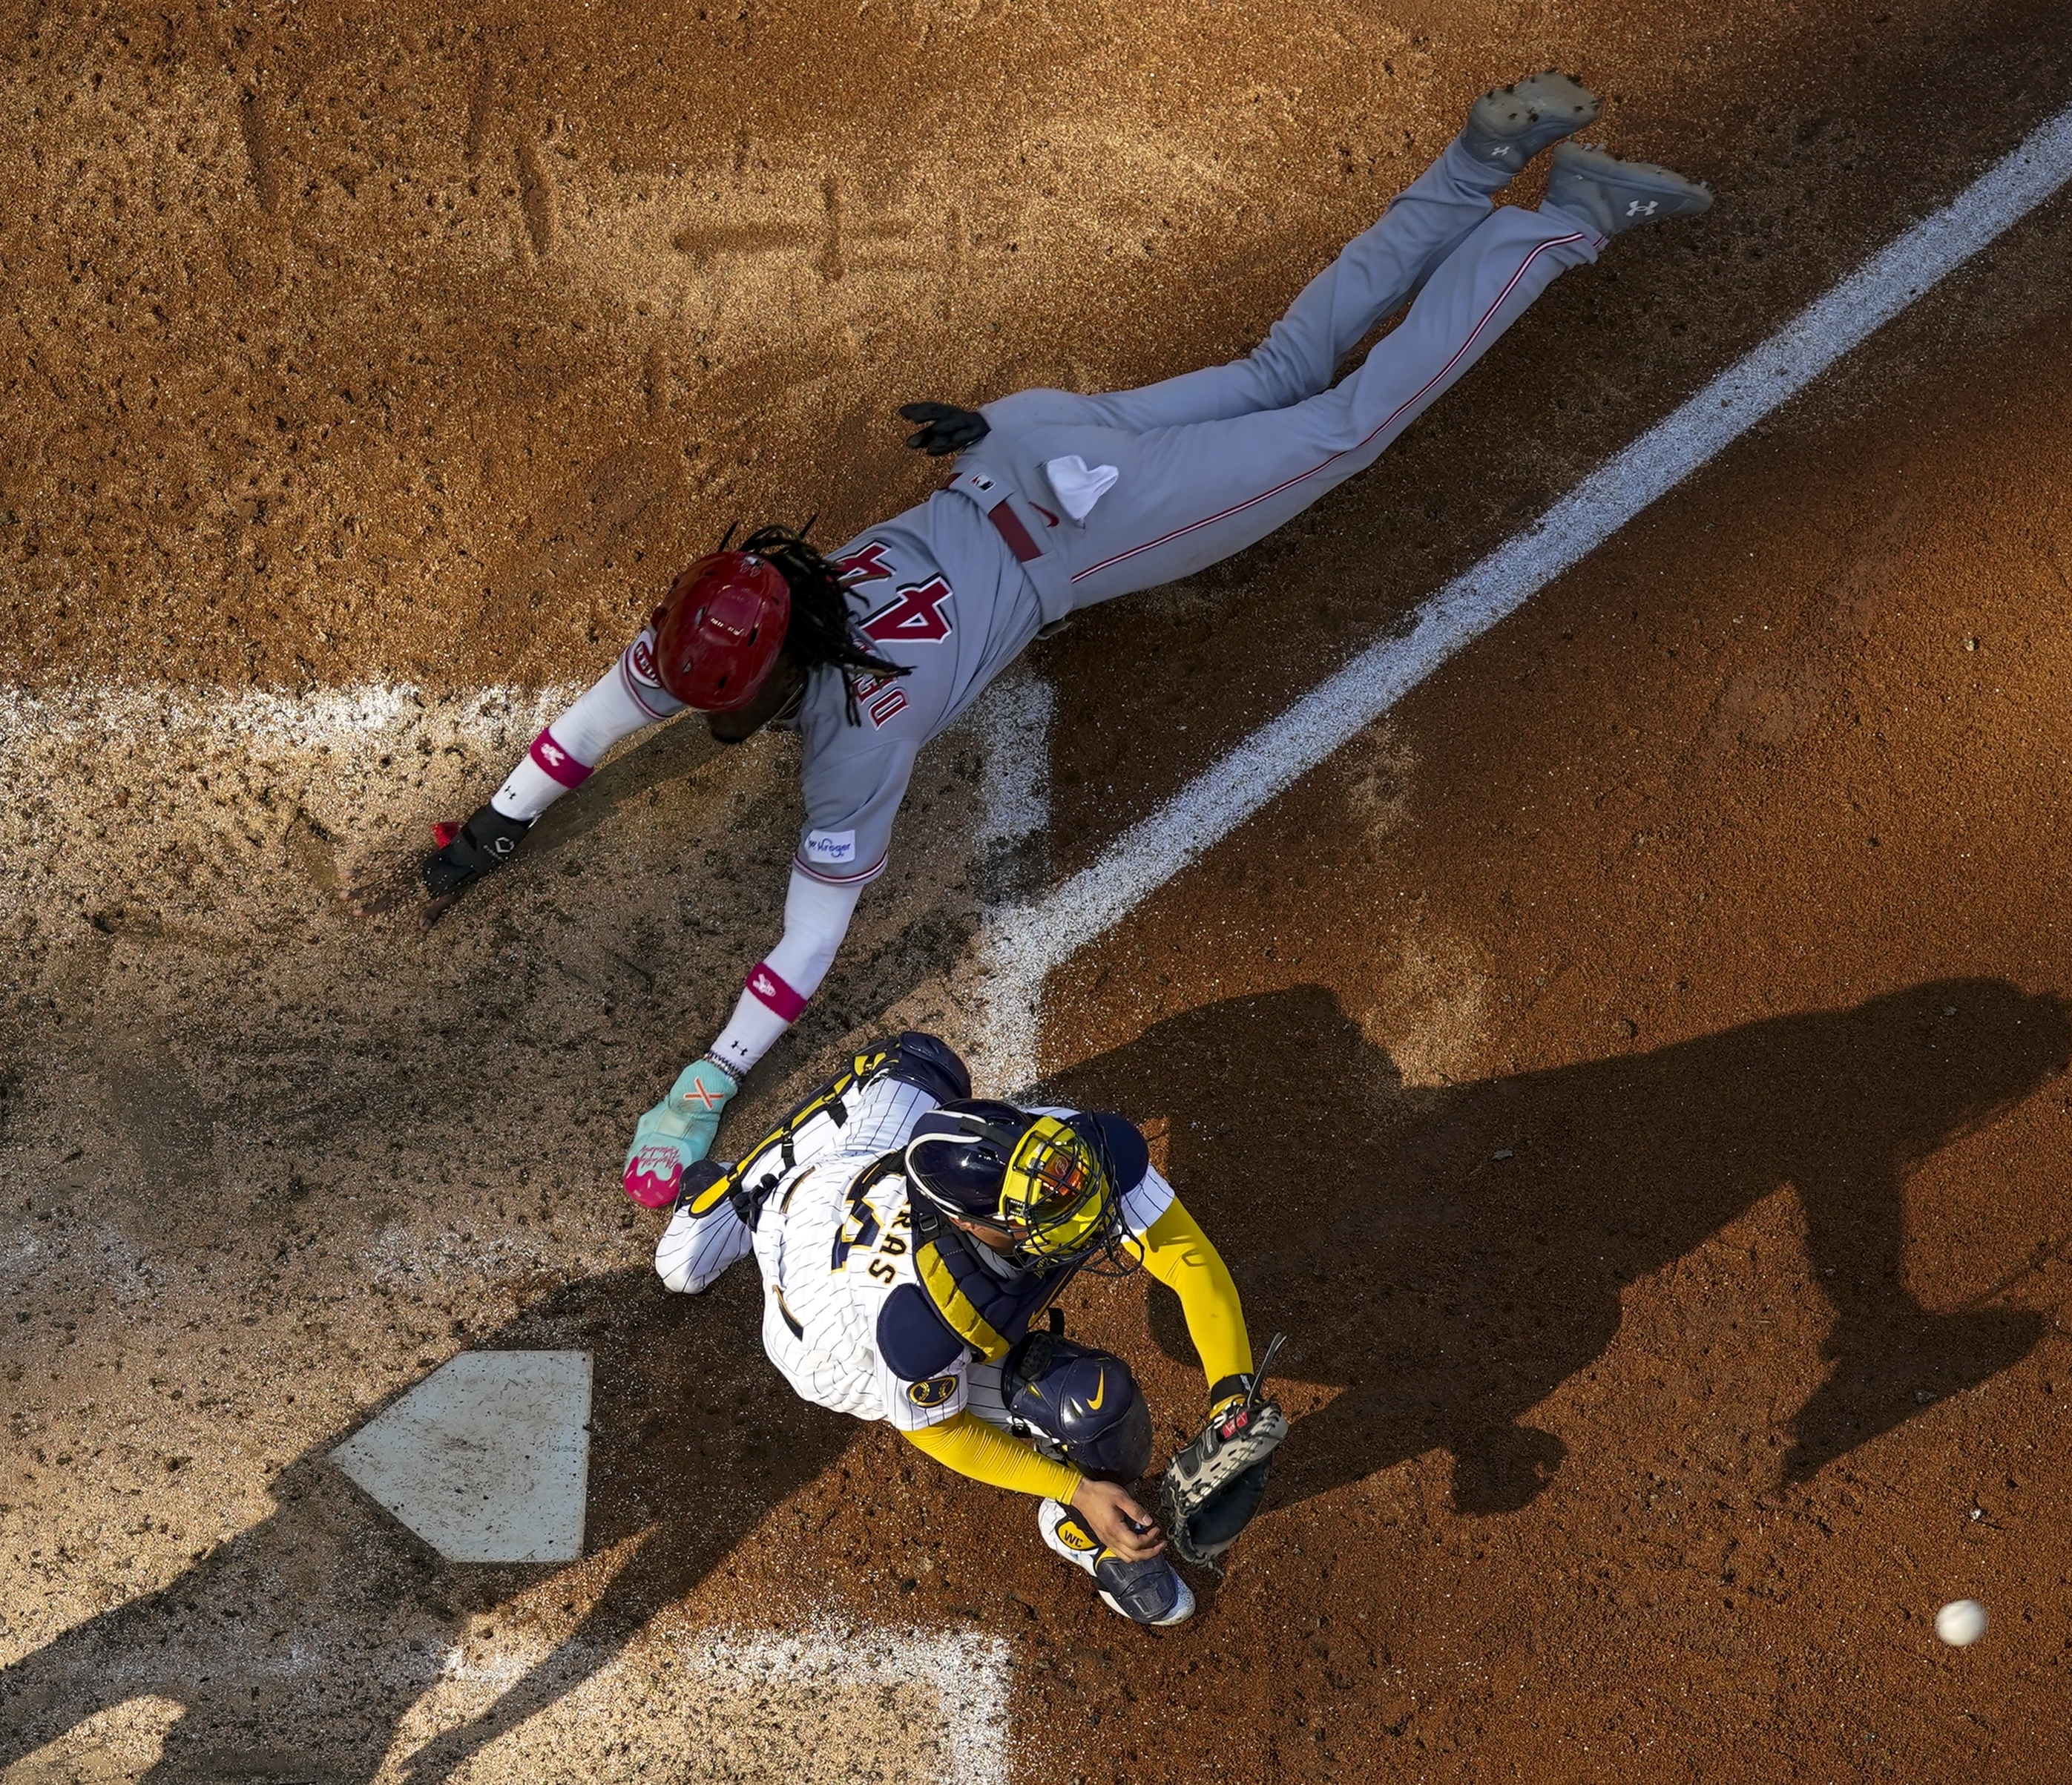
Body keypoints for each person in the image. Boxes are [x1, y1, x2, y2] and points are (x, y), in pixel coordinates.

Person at [416, 73, 1713, 1205]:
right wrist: (492, 828)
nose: (712, 718)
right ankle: (1478, 161)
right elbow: (611, 706)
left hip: (1094, 527)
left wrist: (704, 1087)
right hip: (1026, 441)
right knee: (1277, 369)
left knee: (1343, 425)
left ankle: (1567, 218)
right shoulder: (755, 590)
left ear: (777, 676)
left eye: (725, 707)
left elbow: (807, 946)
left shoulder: (861, 734)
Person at [654, 1030, 1266, 1626]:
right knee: (1093, 1404)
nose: (1086, 1213)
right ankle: (729, 1198)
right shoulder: (918, 1317)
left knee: (917, 1059)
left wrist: (1232, 1396)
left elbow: (1186, 1258)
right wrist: (1076, 1488)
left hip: (856, 1167)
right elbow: (940, 1432)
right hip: (822, 1329)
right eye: (1054, 1211)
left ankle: (761, 1185)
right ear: (973, 1226)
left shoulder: (1062, 1161)